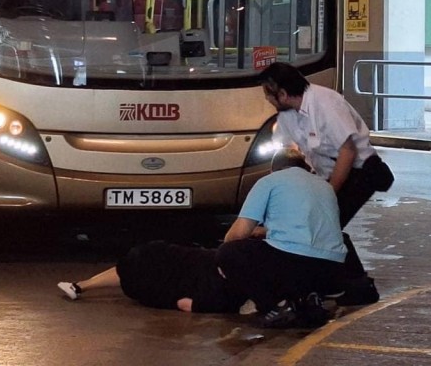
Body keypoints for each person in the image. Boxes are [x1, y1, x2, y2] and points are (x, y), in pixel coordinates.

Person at [258, 62, 394, 305]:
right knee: (317, 224)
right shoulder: (287, 115)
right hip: (326, 172)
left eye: (268, 93)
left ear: (282, 93)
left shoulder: (326, 103)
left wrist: (328, 195)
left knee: (326, 225)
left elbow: (348, 152)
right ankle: (335, 282)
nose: (266, 99)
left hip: (359, 172)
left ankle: (359, 286)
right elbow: (289, 151)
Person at [216, 149, 347, 328]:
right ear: (306, 168)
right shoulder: (324, 185)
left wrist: (222, 263)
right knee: (284, 252)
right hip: (332, 271)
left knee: (229, 252)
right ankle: (307, 300)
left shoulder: (269, 181)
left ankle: (273, 308)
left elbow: (239, 233)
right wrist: (264, 231)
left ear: (272, 170)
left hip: (292, 265)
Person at [56, 239, 245, 314]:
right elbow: (185, 304)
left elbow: (185, 304)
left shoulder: (222, 261)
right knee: (138, 267)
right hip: (164, 275)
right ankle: (79, 286)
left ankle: (80, 286)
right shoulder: (228, 297)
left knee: (138, 265)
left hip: (163, 266)